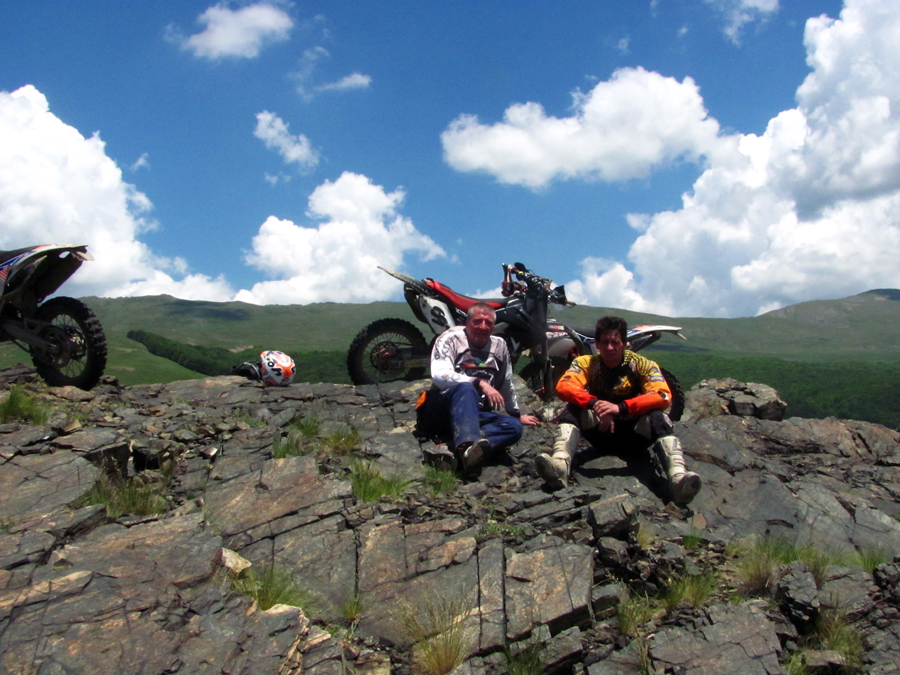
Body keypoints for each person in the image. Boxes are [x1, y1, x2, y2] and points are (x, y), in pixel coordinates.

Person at [534, 316, 701, 504]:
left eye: (615, 342)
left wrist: (620, 408)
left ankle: (678, 478)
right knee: (573, 409)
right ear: (596, 344)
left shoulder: (642, 365)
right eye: (604, 342)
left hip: (635, 435)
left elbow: (662, 395)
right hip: (601, 433)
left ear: (625, 344)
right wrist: (595, 404)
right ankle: (560, 465)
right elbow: (564, 387)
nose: (610, 348)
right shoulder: (586, 363)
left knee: (657, 416)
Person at [416, 302, 541, 473]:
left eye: (488, 323)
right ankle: (467, 448)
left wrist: (515, 414)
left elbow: (505, 381)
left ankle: (451, 448)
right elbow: (439, 374)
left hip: (474, 414)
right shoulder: (450, 339)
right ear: (466, 323)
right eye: (477, 321)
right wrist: (479, 383)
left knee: (514, 427)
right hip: (441, 411)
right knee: (466, 388)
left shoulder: (499, 346)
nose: (483, 327)